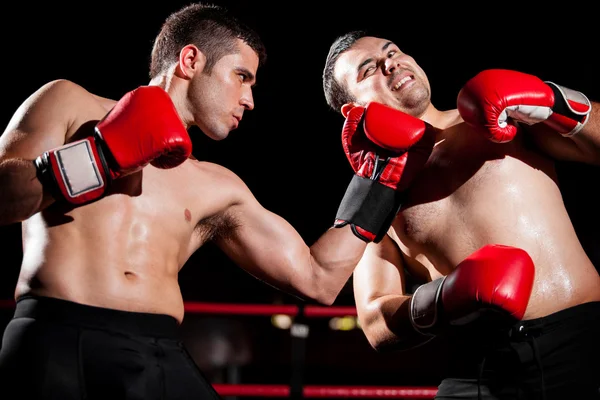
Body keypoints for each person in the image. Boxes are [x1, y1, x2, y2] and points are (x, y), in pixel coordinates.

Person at [0, 5, 432, 398]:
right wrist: (100, 156)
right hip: (58, 335)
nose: (250, 99)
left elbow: (319, 279)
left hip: (159, 351)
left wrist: (379, 179)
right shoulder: (70, 103)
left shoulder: (216, 186)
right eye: (242, 77)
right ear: (191, 60)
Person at [322, 30, 600, 400]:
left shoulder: (505, 118)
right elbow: (375, 323)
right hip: (479, 368)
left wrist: (554, 101)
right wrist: (445, 298)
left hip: (581, 344)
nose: (391, 63)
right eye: (369, 68)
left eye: (394, 51)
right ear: (352, 109)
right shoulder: (374, 198)